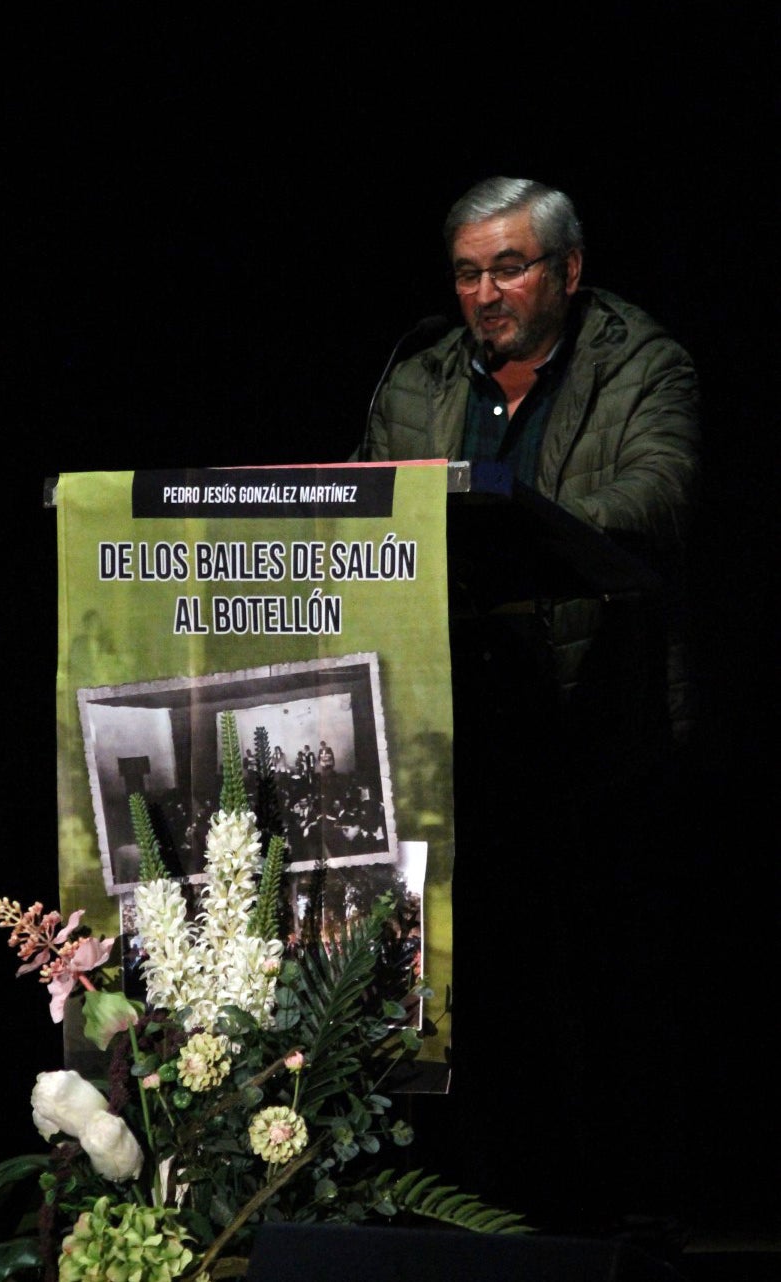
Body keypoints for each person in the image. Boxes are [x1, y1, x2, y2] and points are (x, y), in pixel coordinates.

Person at [363, 177, 702, 1232]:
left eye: (507, 267)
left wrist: (507, 523)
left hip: (600, 725)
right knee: (476, 1001)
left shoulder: (639, 363)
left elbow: (657, 497)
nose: (484, 292)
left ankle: (616, 1225)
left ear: (565, 268)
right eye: (466, 272)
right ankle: (478, 1219)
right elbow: (372, 504)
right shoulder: (419, 374)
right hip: (456, 726)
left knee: (604, 999)